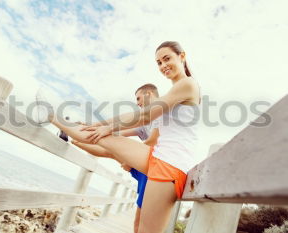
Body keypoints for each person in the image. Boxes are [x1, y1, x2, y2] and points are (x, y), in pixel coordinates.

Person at [37, 41, 200, 233]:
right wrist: (98, 125)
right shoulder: (175, 90)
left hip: (171, 166)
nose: (163, 66)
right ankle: (50, 116)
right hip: (159, 156)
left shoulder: (187, 84)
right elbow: (141, 116)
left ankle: (50, 116)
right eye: (158, 62)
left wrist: (109, 127)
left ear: (181, 56)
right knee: (99, 137)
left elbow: (146, 116)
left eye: (167, 59)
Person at [71, 84, 160, 233]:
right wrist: (89, 128)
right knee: (111, 150)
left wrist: (129, 159)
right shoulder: (144, 124)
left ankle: (74, 136)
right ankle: (73, 139)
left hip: (157, 169)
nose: (137, 103)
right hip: (146, 167)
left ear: (149, 94)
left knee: (140, 222)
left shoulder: (161, 110)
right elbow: (117, 133)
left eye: (139, 98)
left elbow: (154, 141)